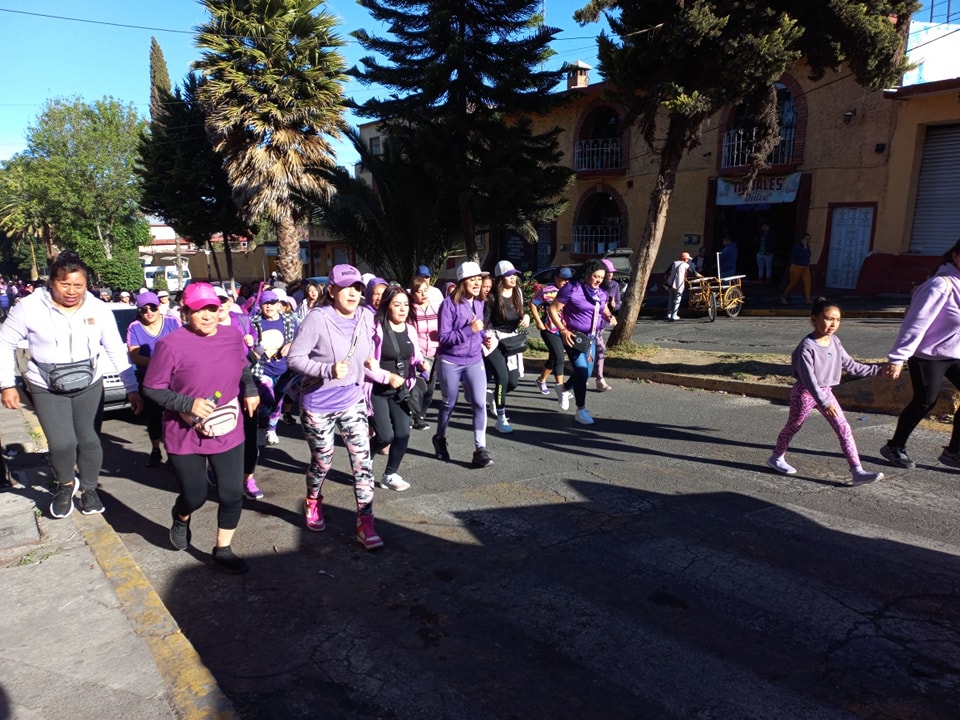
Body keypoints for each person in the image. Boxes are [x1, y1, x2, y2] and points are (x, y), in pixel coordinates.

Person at [0, 251, 144, 517]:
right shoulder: (29, 307)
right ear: (52, 282)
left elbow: (114, 347)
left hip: (89, 383)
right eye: (64, 284)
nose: (71, 291)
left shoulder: (97, 308)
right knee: (61, 444)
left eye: (78, 285)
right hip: (46, 386)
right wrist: (6, 384)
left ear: (86, 285)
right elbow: (5, 342)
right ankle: (66, 485)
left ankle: (89, 490)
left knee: (89, 441)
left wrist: (131, 387)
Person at [143, 283, 259, 573]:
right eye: (199, 310)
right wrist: (186, 404)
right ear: (185, 312)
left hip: (228, 425)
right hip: (184, 432)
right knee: (195, 495)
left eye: (212, 309)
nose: (207, 316)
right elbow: (152, 388)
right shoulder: (170, 345)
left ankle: (223, 549)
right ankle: (181, 515)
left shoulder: (232, 336)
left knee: (232, 493)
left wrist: (249, 388)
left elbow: (242, 368)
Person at [287, 264, 388, 550]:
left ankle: (365, 523)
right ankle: (312, 499)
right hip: (318, 404)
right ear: (331, 290)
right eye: (346, 288)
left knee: (363, 464)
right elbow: (295, 359)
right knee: (323, 461)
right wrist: (327, 369)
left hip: (352, 400)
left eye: (357, 288)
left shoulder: (364, 318)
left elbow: (366, 353)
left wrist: (371, 365)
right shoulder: (318, 319)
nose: (353, 293)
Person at [766, 297, 885, 484]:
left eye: (837, 320)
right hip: (805, 393)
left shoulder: (835, 341)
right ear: (814, 319)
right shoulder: (807, 346)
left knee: (843, 428)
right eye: (829, 319)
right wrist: (824, 402)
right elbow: (809, 379)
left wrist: (879, 370)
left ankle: (857, 471)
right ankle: (776, 457)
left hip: (826, 392)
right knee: (793, 426)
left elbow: (851, 365)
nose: (833, 324)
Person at [880, 238, 960, 470]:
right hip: (927, 355)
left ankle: (954, 452)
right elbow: (915, 323)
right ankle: (894, 447)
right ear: (955, 256)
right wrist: (897, 358)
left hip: (954, 353)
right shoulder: (940, 285)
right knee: (925, 401)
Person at [432, 261, 495, 468]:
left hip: (475, 359)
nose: (477, 283)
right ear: (462, 282)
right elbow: (444, 337)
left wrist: (483, 336)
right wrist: (470, 330)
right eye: (472, 279)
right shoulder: (448, 305)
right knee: (449, 403)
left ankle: (480, 449)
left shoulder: (478, 302)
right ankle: (440, 437)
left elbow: (478, 328)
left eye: (479, 279)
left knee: (479, 403)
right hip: (451, 360)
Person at [370, 284, 428, 491]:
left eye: (405, 304)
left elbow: (415, 354)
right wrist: (387, 377)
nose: (402, 309)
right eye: (397, 304)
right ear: (387, 306)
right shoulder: (376, 329)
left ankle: (390, 474)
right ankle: (365, 462)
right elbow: (366, 366)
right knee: (386, 436)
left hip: (401, 390)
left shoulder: (410, 329)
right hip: (377, 390)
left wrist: (421, 362)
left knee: (403, 433)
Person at [548, 259, 615, 425]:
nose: (598, 280)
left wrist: (609, 316)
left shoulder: (601, 292)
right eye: (595, 276)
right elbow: (553, 309)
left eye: (602, 277)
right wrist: (563, 330)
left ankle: (563, 388)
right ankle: (581, 409)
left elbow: (603, 307)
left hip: (591, 338)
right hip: (574, 337)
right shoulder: (572, 289)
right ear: (586, 274)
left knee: (584, 373)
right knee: (582, 371)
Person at [127, 291, 181, 467]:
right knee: (154, 415)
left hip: (174, 376)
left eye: (153, 307)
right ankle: (156, 449)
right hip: (149, 378)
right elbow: (135, 357)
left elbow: (184, 346)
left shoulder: (172, 322)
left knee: (175, 414)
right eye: (144, 309)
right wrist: (161, 362)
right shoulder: (134, 327)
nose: (149, 312)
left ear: (159, 307)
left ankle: (174, 453)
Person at [485, 260, 530, 433]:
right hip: (494, 339)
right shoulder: (492, 297)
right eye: (509, 275)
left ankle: (494, 397)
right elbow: (483, 321)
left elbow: (520, 313)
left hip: (511, 340)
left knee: (512, 382)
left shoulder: (518, 292)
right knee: (502, 378)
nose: (513, 278)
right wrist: (482, 337)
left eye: (514, 274)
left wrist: (525, 316)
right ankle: (501, 418)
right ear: (500, 278)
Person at [249, 289, 297, 447]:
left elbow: (301, 338)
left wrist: (291, 344)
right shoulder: (254, 321)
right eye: (265, 303)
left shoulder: (289, 320)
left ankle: (272, 429)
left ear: (279, 305)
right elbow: (246, 342)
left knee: (277, 401)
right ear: (260, 306)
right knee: (267, 398)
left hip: (284, 370)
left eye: (272, 303)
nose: (268, 306)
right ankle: (262, 429)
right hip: (262, 369)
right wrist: (252, 349)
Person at [530, 267, 572, 395]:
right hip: (549, 329)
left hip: (565, 330)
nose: (566, 282)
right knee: (559, 356)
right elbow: (533, 303)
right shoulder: (547, 291)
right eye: (563, 279)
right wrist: (538, 321)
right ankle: (561, 389)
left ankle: (541, 380)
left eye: (568, 279)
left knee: (554, 357)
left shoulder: (571, 291)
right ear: (556, 278)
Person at [410, 275, 441, 430]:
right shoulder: (411, 311)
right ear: (413, 293)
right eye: (419, 292)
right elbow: (410, 334)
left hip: (435, 354)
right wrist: (417, 356)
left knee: (430, 389)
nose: (423, 294)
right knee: (419, 387)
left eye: (425, 290)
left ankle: (421, 414)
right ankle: (415, 416)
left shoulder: (435, 307)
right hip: (419, 355)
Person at [593, 258, 622, 390]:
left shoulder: (614, 285)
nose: (610, 274)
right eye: (608, 271)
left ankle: (598, 378)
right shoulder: (594, 285)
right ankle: (594, 377)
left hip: (602, 323)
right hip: (589, 323)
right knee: (598, 349)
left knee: (599, 350)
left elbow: (618, 304)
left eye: (612, 272)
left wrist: (614, 306)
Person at [664, 251, 700, 322]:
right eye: (688, 259)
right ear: (686, 259)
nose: (688, 260)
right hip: (679, 284)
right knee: (677, 299)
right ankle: (674, 315)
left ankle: (669, 314)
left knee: (671, 299)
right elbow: (694, 273)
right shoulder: (685, 265)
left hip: (670, 284)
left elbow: (666, 273)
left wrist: (665, 282)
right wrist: (702, 277)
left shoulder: (674, 263)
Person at [781, 233, 813, 305]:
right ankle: (784, 297)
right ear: (802, 240)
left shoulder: (807, 247)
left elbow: (808, 255)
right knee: (793, 283)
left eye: (809, 239)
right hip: (797, 267)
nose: (808, 240)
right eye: (806, 239)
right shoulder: (797, 247)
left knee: (808, 283)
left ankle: (807, 299)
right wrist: (804, 248)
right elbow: (799, 256)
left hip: (805, 267)